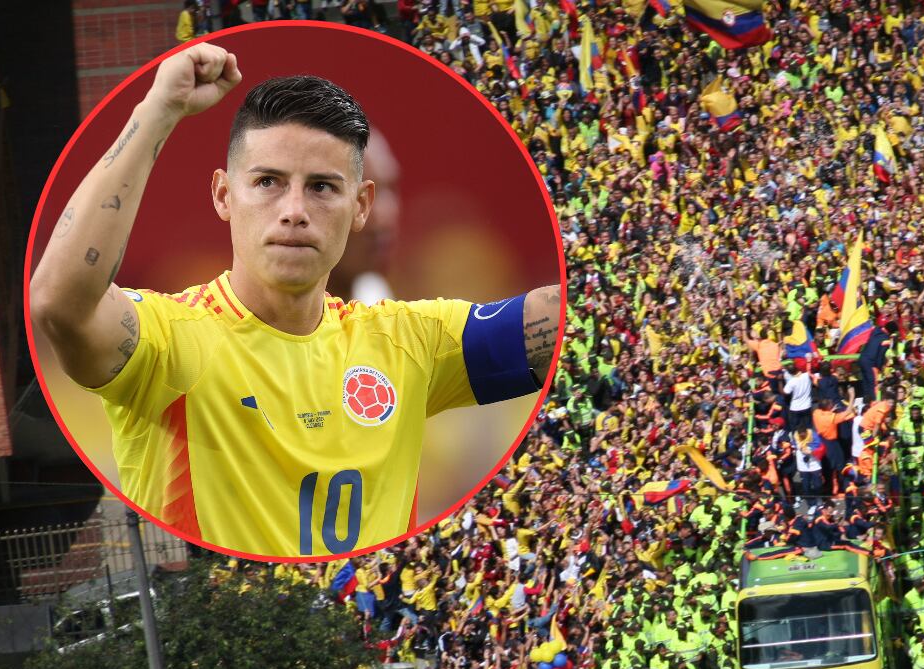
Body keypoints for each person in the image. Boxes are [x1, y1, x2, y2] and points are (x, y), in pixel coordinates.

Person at [29, 47, 561, 557]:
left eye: (323, 188)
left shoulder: (410, 342)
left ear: (360, 206)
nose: (293, 210)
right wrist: (157, 111)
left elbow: (565, 319)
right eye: (267, 182)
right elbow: (58, 301)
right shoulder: (167, 341)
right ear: (222, 195)